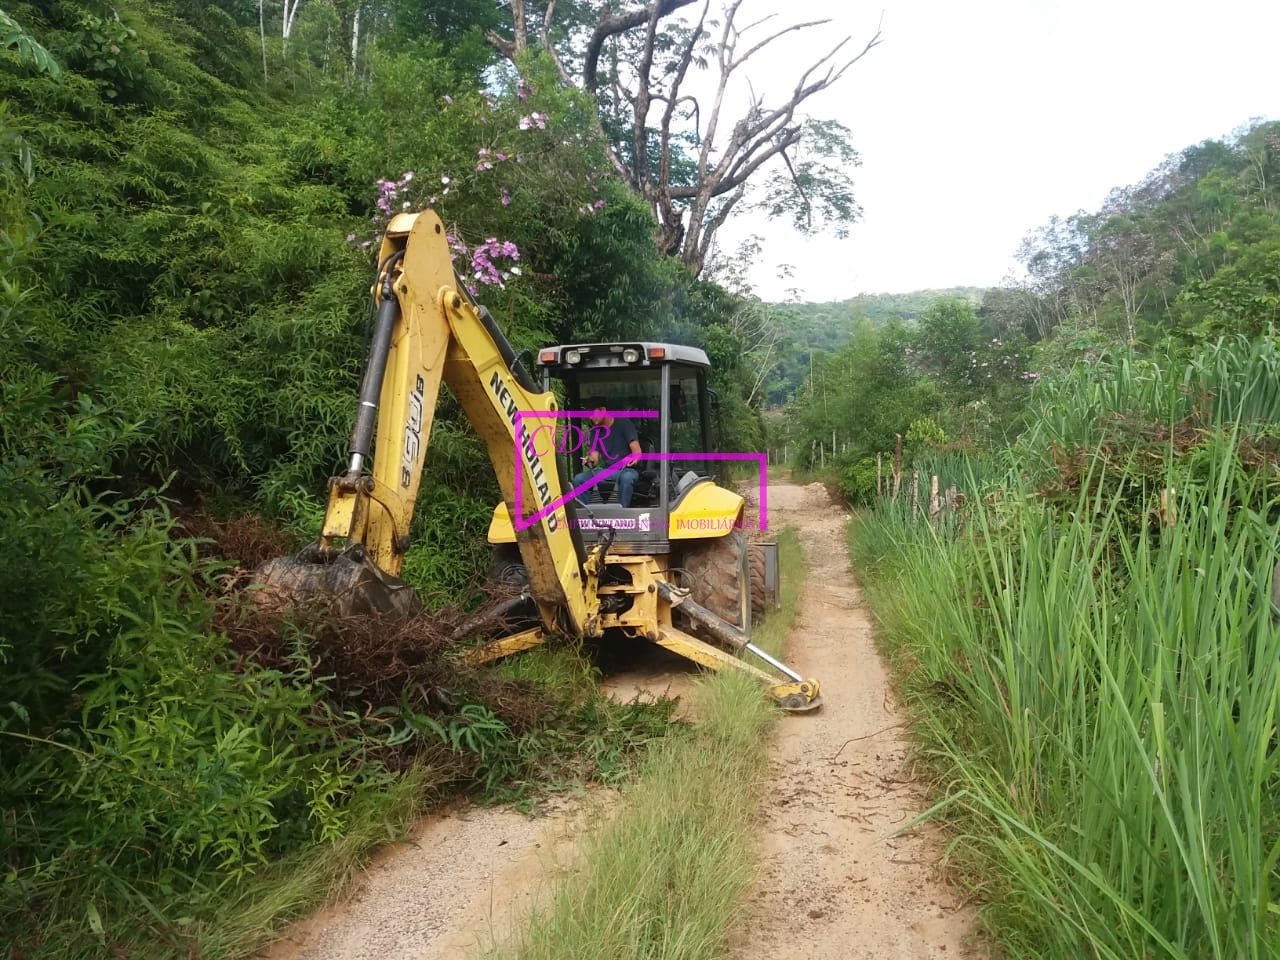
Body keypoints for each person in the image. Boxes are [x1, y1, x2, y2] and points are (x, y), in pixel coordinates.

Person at [572, 396, 642, 507]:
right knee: (579, 479)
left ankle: (622, 516)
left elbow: (637, 452)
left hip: (626, 470)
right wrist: (589, 460)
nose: (590, 417)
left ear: (603, 410)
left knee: (627, 478)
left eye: (592, 413)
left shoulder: (624, 424)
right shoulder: (596, 431)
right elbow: (595, 458)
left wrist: (632, 459)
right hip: (606, 471)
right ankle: (590, 515)